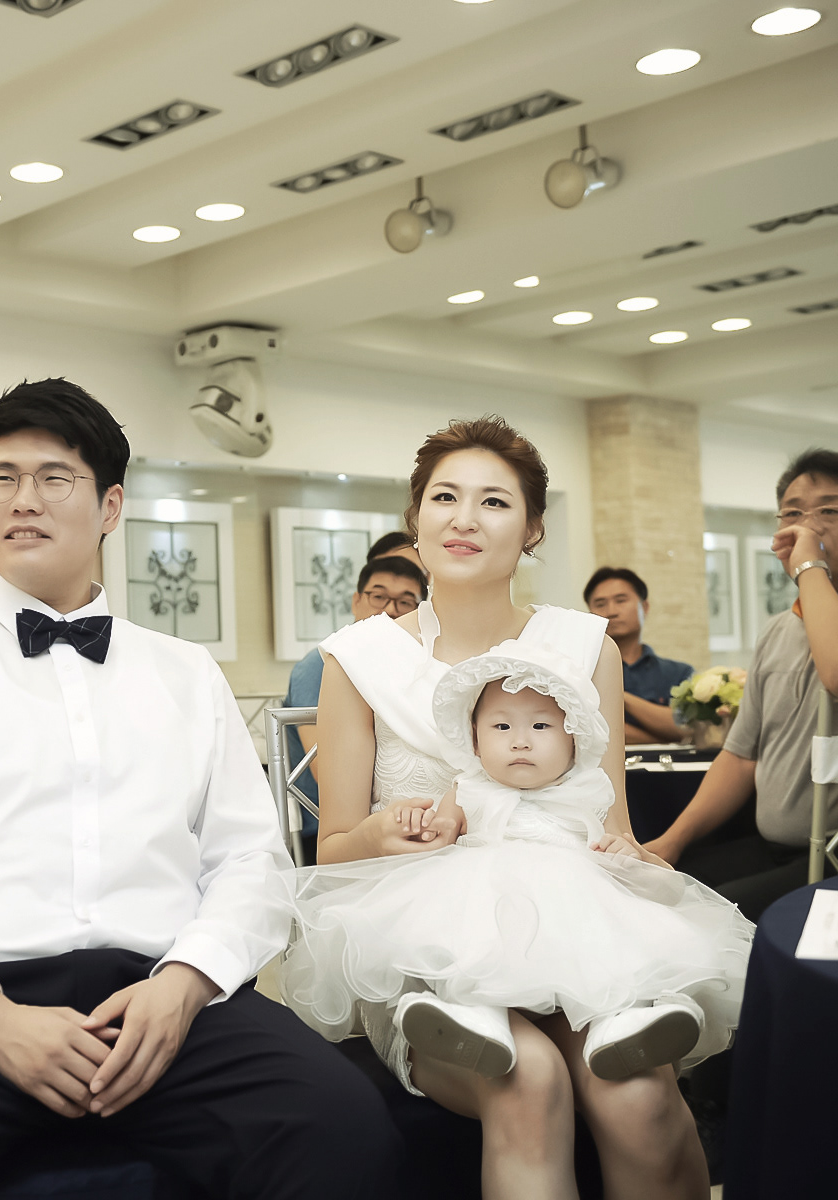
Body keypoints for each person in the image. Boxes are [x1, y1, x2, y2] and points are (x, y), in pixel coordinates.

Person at [0, 379, 401, 1200]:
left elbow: (250, 862)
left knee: (343, 1125)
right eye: (2, 477)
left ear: (111, 506)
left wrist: (183, 986)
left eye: (54, 478)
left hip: (165, 997)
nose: (23, 499)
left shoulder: (186, 674)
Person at [294, 416, 710, 1199]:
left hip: (570, 925)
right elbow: (333, 849)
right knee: (529, 1080)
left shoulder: (583, 647)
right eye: (444, 497)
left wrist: (635, 868)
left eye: (494, 501)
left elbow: (609, 823)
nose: (465, 519)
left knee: (640, 1099)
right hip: (426, 950)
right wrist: (381, 832)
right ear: (416, 517)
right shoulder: (358, 658)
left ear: (532, 528)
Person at [282, 640, 751, 1091]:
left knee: (608, 953)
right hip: (487, 890)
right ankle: (476, 1019)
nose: (520, 742)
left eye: (541, 727)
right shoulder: (468, 787)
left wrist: (623, 854)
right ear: (475, 741)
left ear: (574, 739)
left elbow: (608, 838)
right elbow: (441, 830)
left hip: (575, 896)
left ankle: (620, 1027)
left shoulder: (587, 789)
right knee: (473, 945)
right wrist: (417, 823)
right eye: (501, 727)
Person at [642, 449, 838, 921]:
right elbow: (740, 757)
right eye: (792, 514)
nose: (807, 527)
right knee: (650, 894)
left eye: (829, 510)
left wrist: (810, 569)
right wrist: (671, 842)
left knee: (705, 917)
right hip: (775, 848)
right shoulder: (777, 630)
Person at [283, 556, 430, 859]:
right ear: (356, 600)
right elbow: (323, 771)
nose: (390, 609)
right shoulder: (322, 666)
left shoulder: (418, 666)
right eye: (378, 596)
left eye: (405, 601)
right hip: (326, 829)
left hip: (413, 824)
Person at [583, 567, 694, 745]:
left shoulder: (678, 673)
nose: (611, 611)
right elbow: (586, 729)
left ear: (645, 607)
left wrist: (619, 695)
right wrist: (662, 739)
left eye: (621, 600)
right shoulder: (581, 670)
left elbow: (685, 727)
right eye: (600, 604)